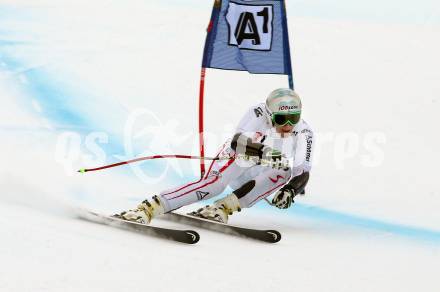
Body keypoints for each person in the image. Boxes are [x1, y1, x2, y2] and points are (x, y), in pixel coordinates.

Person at [115, 88, 314, 224]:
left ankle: (222, 209)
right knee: (214, 186)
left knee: (284, 170)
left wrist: (290, 191)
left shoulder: (304, 132)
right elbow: (238, 142)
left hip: (260, 170)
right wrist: (266, 152)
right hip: (240, 155)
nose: (288, 125)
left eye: (294, 118)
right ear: (270, 114)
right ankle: (148, 208)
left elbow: (302, 171)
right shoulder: (257, 112)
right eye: (281, 119)